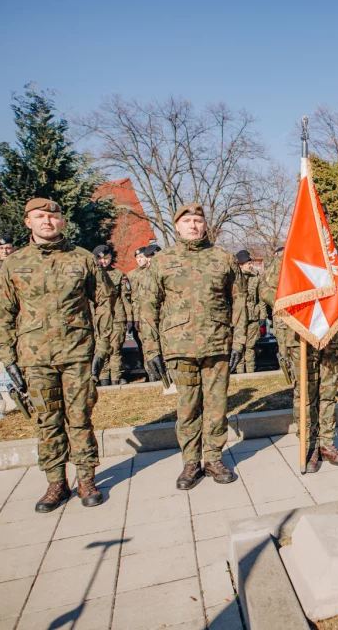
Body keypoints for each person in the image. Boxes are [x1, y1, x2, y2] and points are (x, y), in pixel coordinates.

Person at [0, 198, 115, 512]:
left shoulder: (83, 259)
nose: (47, 221)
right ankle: (55, 483)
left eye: (53, 216)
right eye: (39, 216)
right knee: (47, 421)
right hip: (34, 359)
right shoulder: (14, 264)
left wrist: (102, 348)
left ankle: (86, 478)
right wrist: (8, 359)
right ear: (28, 222)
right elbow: (3, 313)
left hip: (77, 355)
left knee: (80, 419)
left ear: (62, 221)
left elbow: (105, 303)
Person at [140, 203, 246, 489]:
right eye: (187, 221)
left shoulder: (223, 258)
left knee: (216, 406)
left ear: (205, 225)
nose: (194, 226)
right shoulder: (162, 261)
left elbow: (239, 301)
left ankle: (213, 458)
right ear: (177, 226)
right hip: (180, 347)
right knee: (187, 407)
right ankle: (190, 463)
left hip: (217, 344)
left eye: (198, 220)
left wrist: (239, 341)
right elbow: (148, 305)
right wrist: (151, 349)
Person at [260, 247, 338, 472]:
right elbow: (265, 289)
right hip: (300, 335)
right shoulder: (293, 250)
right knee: (304, 393)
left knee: (328, 392)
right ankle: (309, 444)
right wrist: (294, 302)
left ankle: (326, 443)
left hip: (333, 333)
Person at [93, 245, 132, 386]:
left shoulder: (119, 275)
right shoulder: (91, 275)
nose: (103, 262)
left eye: (106, 258)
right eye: (100, 259)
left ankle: (116, 376)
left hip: (116, 316)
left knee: (115, 348)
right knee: (100, 348)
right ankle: (103, 377)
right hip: (98, 318)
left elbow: (125, 298)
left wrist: (130, 317)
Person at [127, 245, 158, 379]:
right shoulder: (132, 275)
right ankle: (150, 373)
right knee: (145, 346)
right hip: (140, 316)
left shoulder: (153, 272)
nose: (140, 260)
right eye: (137, 257)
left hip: (157, 314)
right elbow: (132, 299)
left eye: (142, 257)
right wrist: (133, 318)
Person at [234, 250, 265, 374]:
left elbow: (261, 298)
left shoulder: (256, 277)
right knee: (239, 346)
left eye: (250, 263)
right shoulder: (234, 278)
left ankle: (251, 373)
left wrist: (263, 314)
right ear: (240, 265)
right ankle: (240, 372)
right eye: (248, 264)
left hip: (253, 316)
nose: (250, 265)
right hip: (238, 317)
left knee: (250, 346)